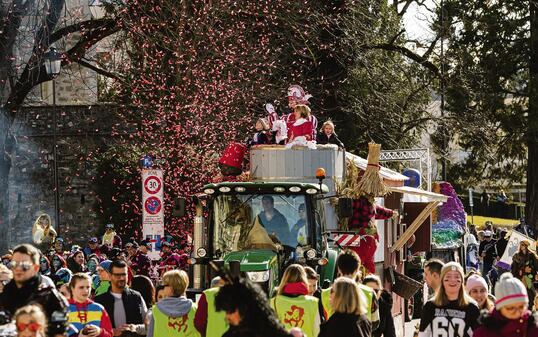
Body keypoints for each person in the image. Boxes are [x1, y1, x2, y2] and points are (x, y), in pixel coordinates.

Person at [0, 244, 68, 337]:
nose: (18, 268)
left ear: (36, 268)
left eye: (24, 265)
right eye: (14, 264)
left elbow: (60, 331)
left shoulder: (49, 297)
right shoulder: (6, 293)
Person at [214, 275, 292, 337]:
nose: (227, 317)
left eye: (230, 310)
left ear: (244, 308)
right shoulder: (231, 334)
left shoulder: (276, 332)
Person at [321, 250, 380, 330]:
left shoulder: (324, 294)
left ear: (338, 269)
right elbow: (375, 322)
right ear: (357, 269)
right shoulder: (369, 293)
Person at [418, 262, 480, 337]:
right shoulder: (430, 306)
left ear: (462, 281)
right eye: (448, 276)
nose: (452, 280)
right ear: (442, 280)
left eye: (457, 276)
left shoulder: (472, 307)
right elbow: (423, 334)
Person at [474, 273, 538, 337]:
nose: (517, 312)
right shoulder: (483, 333)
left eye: (521, 307)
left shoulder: (533, 327)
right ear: (499, 308)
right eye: (510, 308)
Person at [94, 259, 147, 337]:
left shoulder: (136, 297)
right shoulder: (100, 301)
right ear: (110, 276)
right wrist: (111, 332)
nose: (121, 278)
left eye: (124, 274)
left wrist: (136, 328)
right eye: (117, 275)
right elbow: (94, 329)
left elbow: (148, 326)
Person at [270, 264, 320, 337]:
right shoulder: (313, 302)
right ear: (304, 279)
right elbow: (317, 331)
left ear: (284, 279)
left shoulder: (274, 302)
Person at [147, 270, 198, 337]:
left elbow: (150, 334)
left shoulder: (156, 310)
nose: (163, 288)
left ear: (171, 288)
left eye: (164, 285)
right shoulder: (195, 308)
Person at [66, 273, 113, 337]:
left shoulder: (99, 308)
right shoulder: (63, 308)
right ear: (72, 288)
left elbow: (110, 334)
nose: (85, 290)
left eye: (88, 287)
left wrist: (100, 331)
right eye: (81, 287)